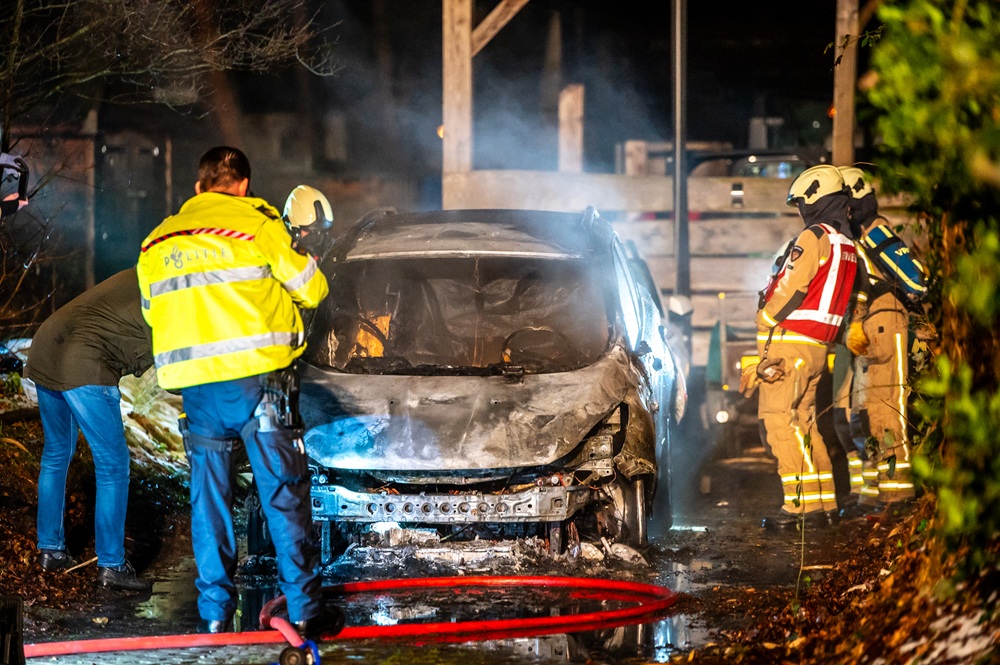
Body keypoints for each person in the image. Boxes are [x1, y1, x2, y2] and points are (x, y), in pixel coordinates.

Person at [136, 147, 337, 637]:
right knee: (283, 495)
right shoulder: (259, 227)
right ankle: (307, 612)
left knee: (210, 503)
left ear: (200, 187)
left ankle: (214, 615)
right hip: (258, 386)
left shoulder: (155, 242)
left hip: (198, 394)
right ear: (243, 185)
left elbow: (150, 310)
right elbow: (313, 290)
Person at [24, 267, 153, 591]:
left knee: (56, 452)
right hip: (84, 362)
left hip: (46, 343)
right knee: (113, 465)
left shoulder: (137, 275)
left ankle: (50, 549)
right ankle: (112, 564)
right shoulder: (169, 294)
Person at [753, 164, 859, 530]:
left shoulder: (814, 237)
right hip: (818, 348)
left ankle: (799, 509)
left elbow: (793, 287)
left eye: (801, 202)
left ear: (814, 200)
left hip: (792, 344)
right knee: (807, 424)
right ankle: (823, 504)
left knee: (781, 424)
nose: (800, 209)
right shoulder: (847, 245)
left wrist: (764, 319)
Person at [839, 166, 925, 506]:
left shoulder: (875, 231)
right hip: (874, 325)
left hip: (887, 323)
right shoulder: (861, 236)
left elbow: (916, 282)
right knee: (872, 412)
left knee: (888, 407)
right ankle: (879, 494)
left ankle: (898, 495)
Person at [283, 184, 335, 260]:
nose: (318, 237)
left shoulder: (333, 250)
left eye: (323, 231)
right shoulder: (280, 258)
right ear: (293, 231)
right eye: (312, 231)